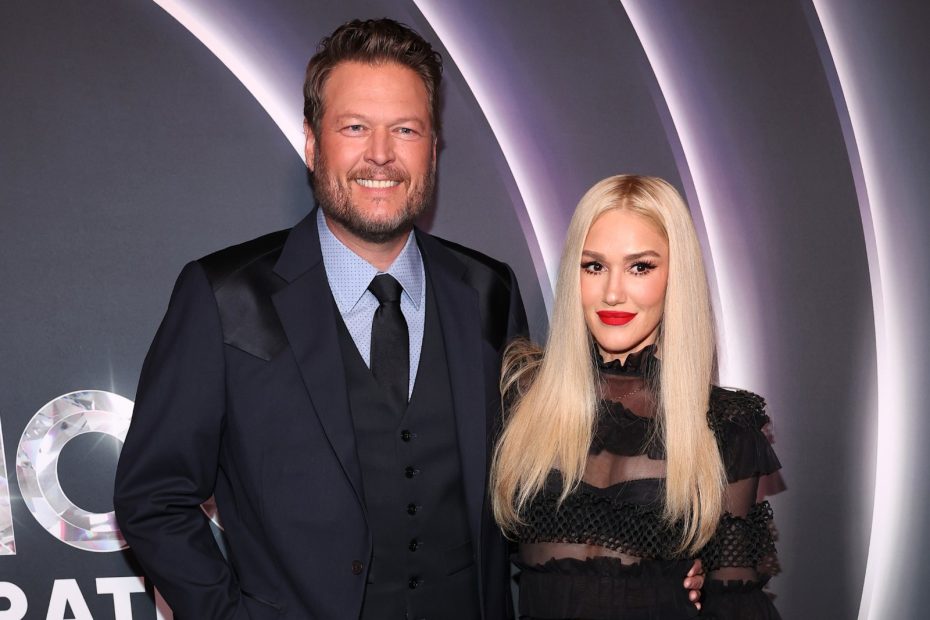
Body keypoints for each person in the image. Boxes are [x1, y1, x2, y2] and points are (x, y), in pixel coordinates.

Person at [113, 18, 527, 619]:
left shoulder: (490, 291)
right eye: (355, 127)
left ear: (433, 148)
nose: (381, 154)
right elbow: (153, 495)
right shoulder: (225, 297)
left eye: (405, 129)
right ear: (312, 144)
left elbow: (529, 488)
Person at [491, 175, 782, 619]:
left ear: (675, 278)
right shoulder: (521, 399)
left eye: (640, 267)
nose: (612, 292)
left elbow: (735, 604)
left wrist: (704, 587)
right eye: (594, 266)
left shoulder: (725, 425)